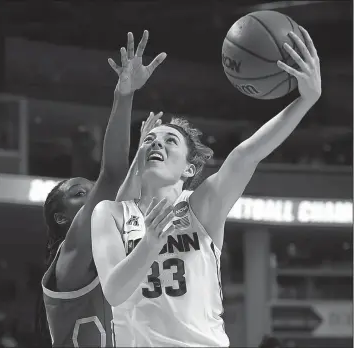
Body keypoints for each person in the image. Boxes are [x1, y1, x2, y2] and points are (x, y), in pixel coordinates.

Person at [91, 26, 321, 347]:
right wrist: (150, 243)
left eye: (170, 140)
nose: (158, 144)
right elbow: (114, 292)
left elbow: (247, 154)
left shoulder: (201, 207)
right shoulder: (111, 214)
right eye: (151, 140)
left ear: (189, 168)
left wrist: (306, 100)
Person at [35, 30, 167, 347]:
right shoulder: (69, 259)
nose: (95, 197)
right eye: (80, 194)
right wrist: (125, 96)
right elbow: (112, 178)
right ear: (62, 219)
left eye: (91, 191)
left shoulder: (119, 261)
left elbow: (123, 192)